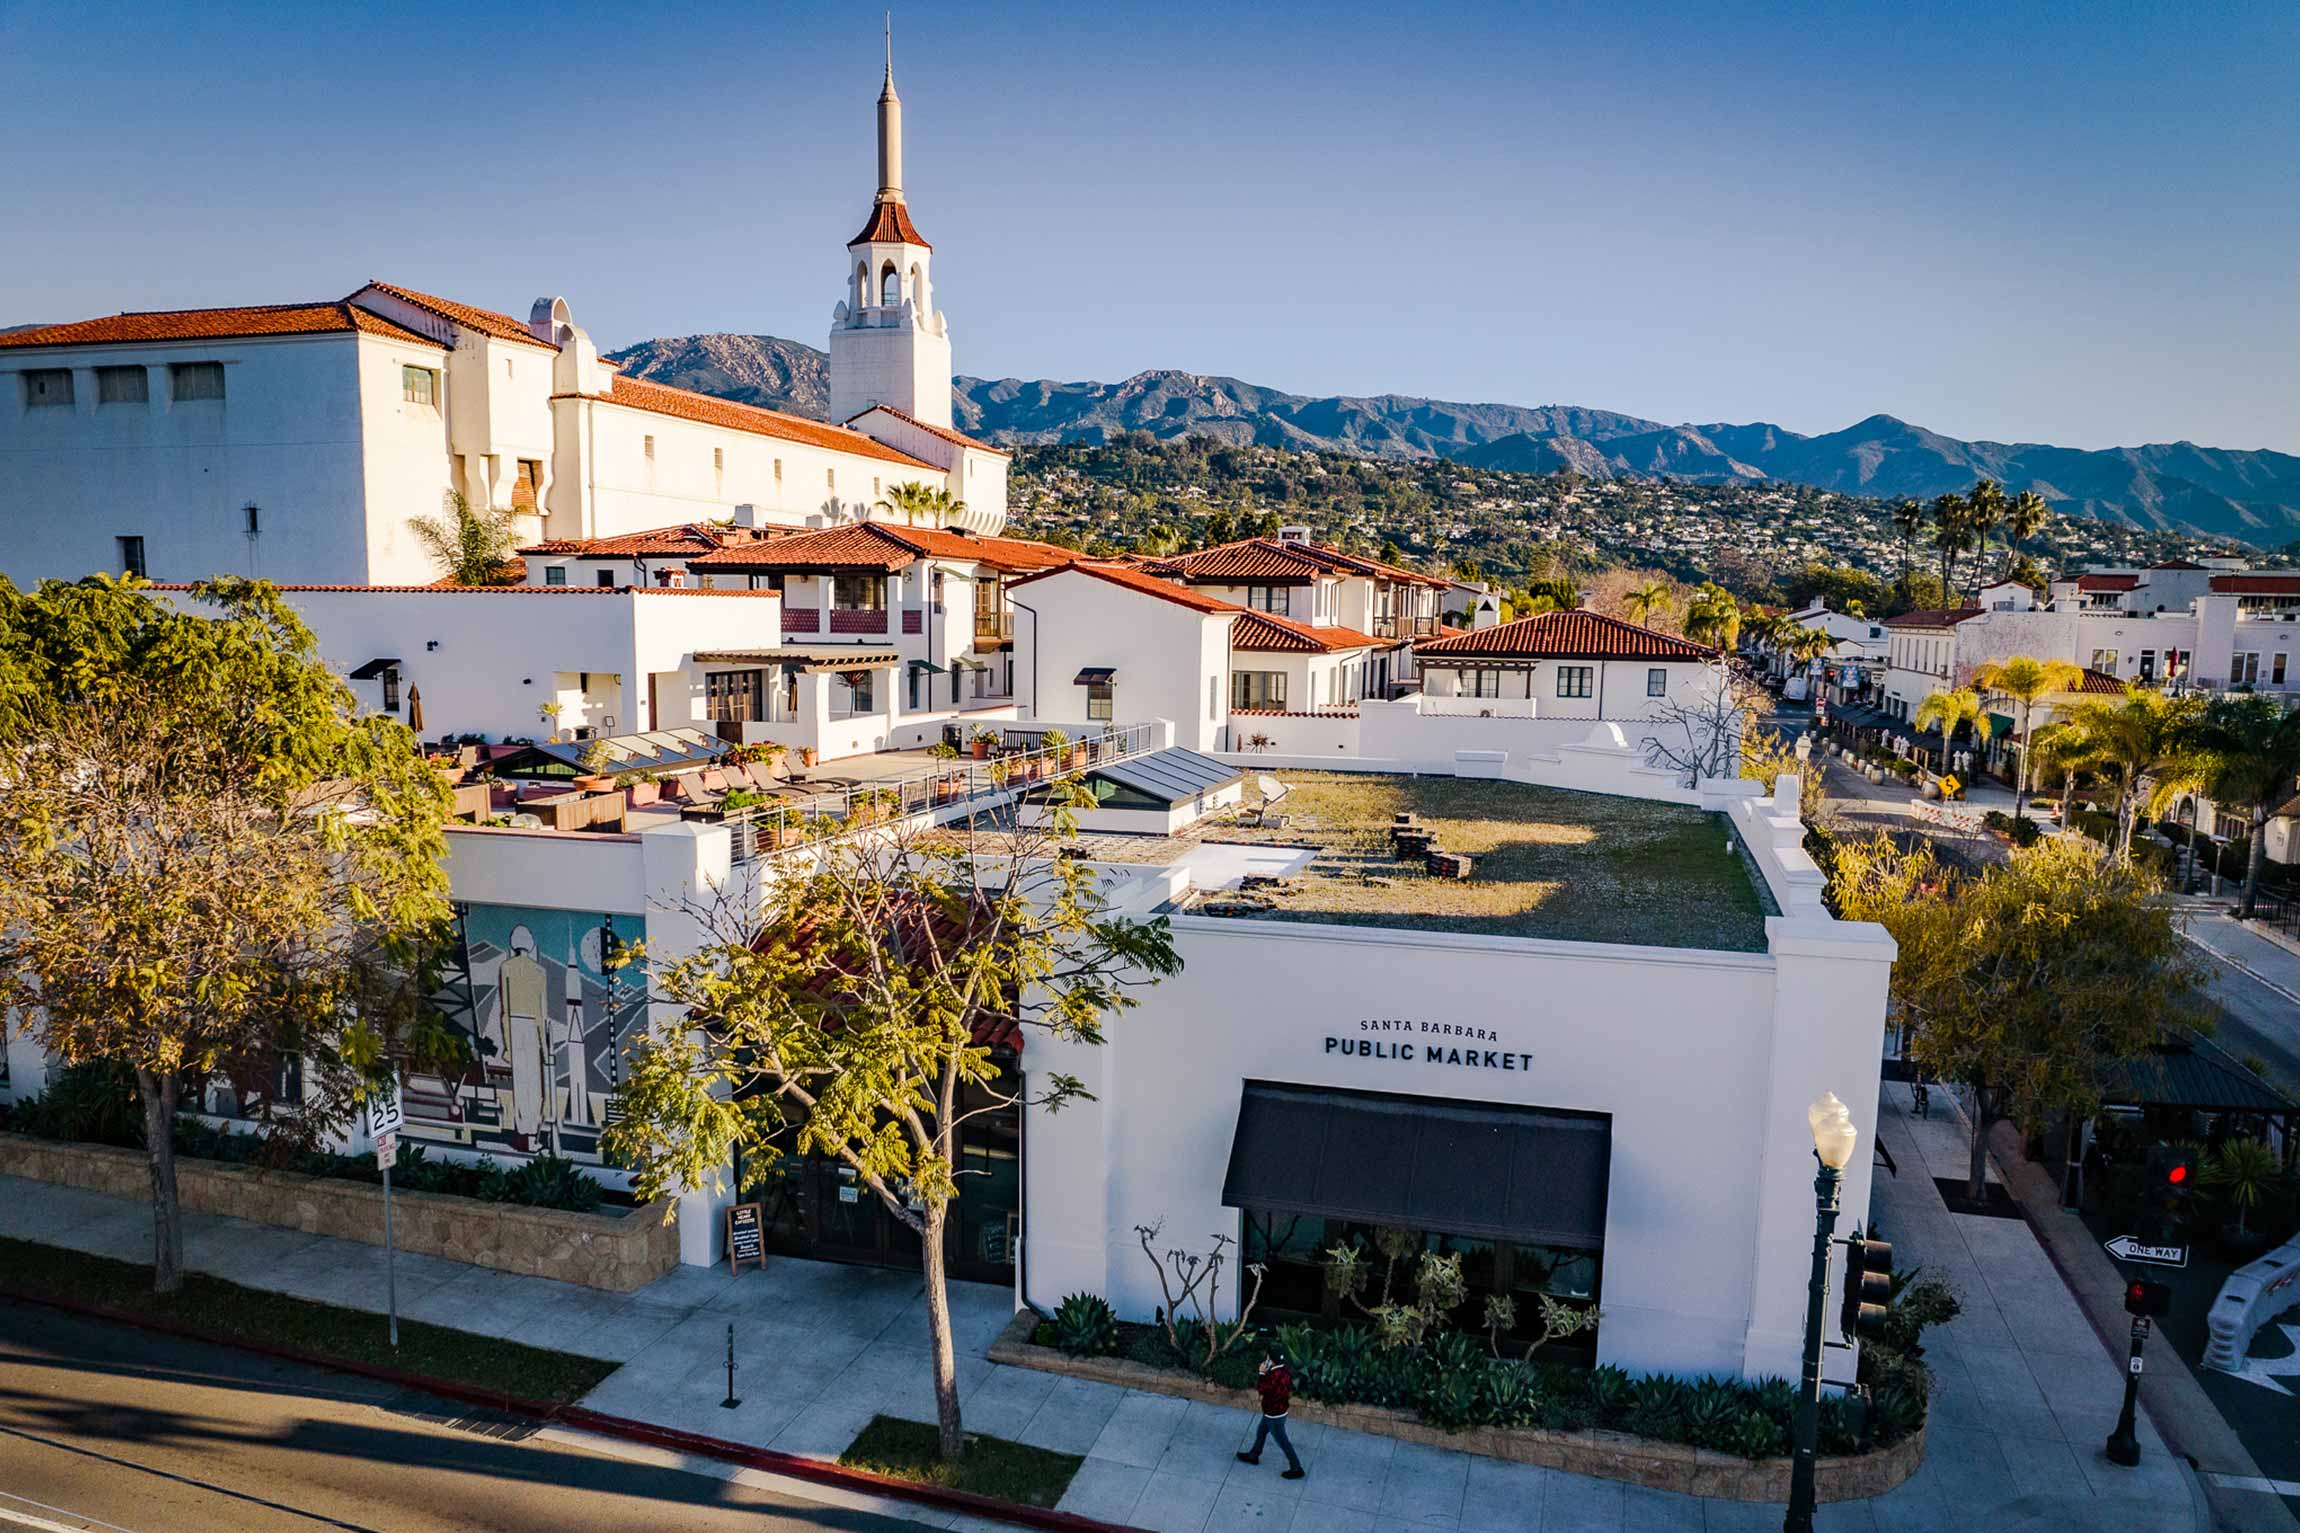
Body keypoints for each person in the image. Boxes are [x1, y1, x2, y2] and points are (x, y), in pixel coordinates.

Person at [1235, 1344, 1305, 1479]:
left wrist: (1261, 1373)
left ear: (1270, 1359)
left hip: (1273, 1414)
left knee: (1282, 1441)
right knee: (1261, 1431)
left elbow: (1262, 1389)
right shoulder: (1284, 1371)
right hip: (1278, 1411)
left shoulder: (1272, 1375)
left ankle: (1296, 1467)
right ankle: (1254, 1455)